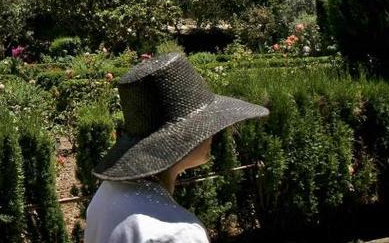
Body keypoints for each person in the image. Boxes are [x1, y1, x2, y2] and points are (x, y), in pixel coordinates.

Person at [85, 53, 269, 243]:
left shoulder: (106, 196)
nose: (213, 133)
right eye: (205, 125)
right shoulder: (177, 233)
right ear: (182, 138)